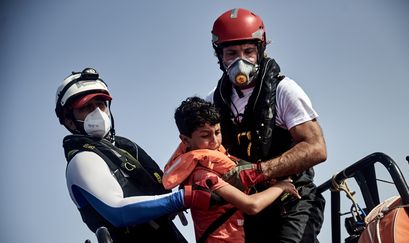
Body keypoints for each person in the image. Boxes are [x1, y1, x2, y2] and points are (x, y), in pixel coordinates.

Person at [206, 8, 327, 243]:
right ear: (220, 56)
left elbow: (316, 148)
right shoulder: (213, 100)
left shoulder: (285, 90)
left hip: (293, 200)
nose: (240, 61)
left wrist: (257, 172)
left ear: (260, 50)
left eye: (248, 52)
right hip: (250, 208)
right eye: (231, 53)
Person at [55, 68, 206, 243]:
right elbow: (118, 211)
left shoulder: (123, 149)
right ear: (68, 120)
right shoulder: (81, 160)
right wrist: (182, 198)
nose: (98, 113)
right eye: (87, 107)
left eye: (101, 105)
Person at [163, 96, 301, 243]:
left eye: (217, 132)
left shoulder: (214, 163)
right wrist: (282, 186)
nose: (215, 141)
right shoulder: (203, 175)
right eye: (205, 136)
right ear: (185, 140)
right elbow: (252, 205)